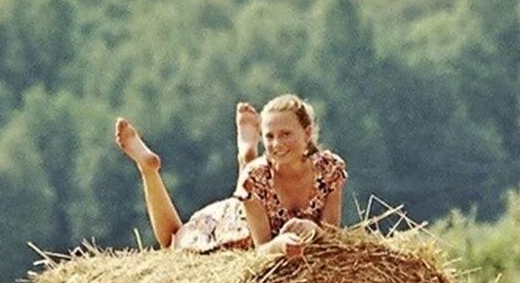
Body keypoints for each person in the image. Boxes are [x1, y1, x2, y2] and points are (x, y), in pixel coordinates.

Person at [114, 94, 347, 258]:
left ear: (307, 133)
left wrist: (312, 229)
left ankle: (246, 153)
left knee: (252, 172)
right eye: (269, 136)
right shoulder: (256, 178)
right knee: (171, 243)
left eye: (286, 134)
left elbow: (331, 234)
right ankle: (148, 169)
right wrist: (279, 246)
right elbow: (261, 249)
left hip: (253, 196)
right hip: (238, 226)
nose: (277, 144)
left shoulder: (329, 169)